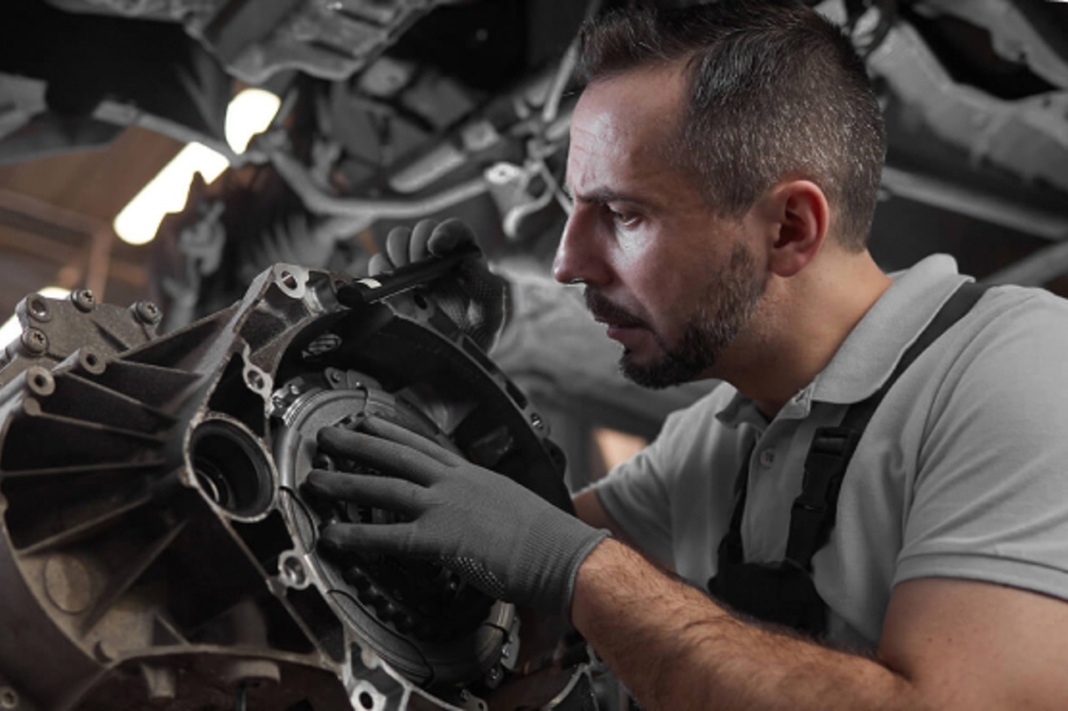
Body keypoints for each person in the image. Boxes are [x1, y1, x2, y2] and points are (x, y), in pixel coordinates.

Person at [306, 1, 1068, 708]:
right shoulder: (713, 439)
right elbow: (502, 553)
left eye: (622, 213)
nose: (566, 264)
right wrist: (450, 374)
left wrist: (579, 568)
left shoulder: (1020, 367)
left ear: (789, 229)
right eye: (575, 207)